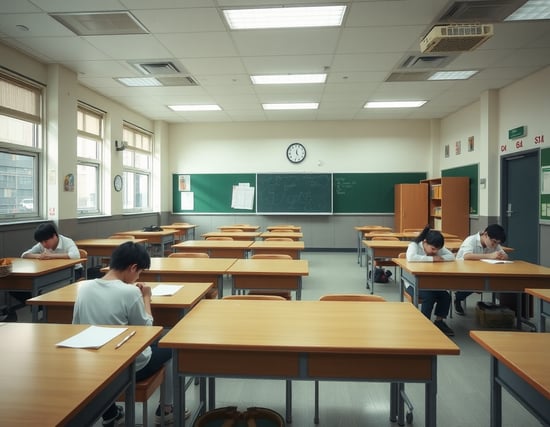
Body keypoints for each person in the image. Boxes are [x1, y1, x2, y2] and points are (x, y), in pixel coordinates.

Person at [72, 241, 177, 426]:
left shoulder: (84, 288)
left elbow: (75, 327)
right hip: (128, 365)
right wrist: (146, 297)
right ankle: (166, 410)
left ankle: (110, 413)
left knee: (114, 349)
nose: (138, 277)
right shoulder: (130, 292)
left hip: (92, 364)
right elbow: (148, 331)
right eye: (139, 272)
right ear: (133, 267)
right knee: (170, 349)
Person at [9, 223, 83, 319]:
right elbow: (25, 254)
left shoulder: (67, 241)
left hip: (74, 271)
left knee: (51, 289)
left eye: (46, 241)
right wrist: (39, 256)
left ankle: (46, 308)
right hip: (53, 273)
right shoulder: (42, 244)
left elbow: (75, 255)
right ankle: (41, 306)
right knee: (16, 286)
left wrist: (52, 256)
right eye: (41, 242)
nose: (44, 244)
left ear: (54, 236)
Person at [405, 225, 456, 336]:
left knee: (445, 296)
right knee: (429, 296)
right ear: (425, 242)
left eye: (437, 250)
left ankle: (439, 321)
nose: (435, 251)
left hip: (430, 283)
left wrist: (440, 257)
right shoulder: (414, 245)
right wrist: (432, 259)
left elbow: (451, 256)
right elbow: (411, 258)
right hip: (413, 283)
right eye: (433, 249)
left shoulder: (436, 247)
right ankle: (425, 323)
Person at [454, 224, 508, 316]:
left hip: (480, 272)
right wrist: (490, 256)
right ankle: (458, 298)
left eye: (497, 243)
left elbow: (505, 255)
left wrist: (504, 257)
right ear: (485, 235)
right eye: (493, 242)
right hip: (463, 271)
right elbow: (467, 256)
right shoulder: (471, 240)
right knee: (476, 283)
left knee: (493, 282)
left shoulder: (494, 244)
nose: (494, 245)